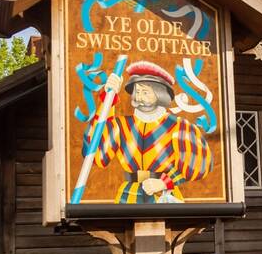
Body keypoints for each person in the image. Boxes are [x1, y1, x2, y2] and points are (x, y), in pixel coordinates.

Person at [82, 60, 213, 204]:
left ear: (160, 94)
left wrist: (166, 182)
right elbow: (96, 154)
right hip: (128, 196)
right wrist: (108, 99)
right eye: (137, 92)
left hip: (164, 196)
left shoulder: (179, 126)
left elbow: (198, 164)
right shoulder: (121, 125)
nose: (139, 98)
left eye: (145, 92)